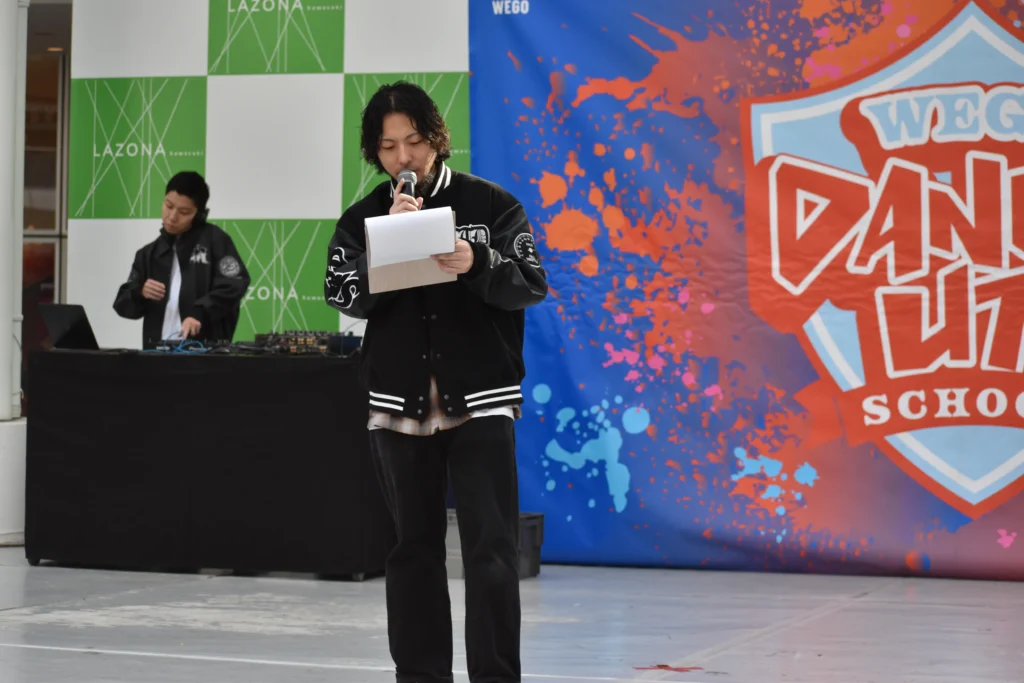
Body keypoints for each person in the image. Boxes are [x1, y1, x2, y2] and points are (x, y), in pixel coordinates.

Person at [324, 81, 548, 683]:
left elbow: (530, 283)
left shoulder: (490, 203)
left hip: (481, 399)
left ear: (437, 140)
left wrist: (478, 262)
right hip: (398, 405)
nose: (404, 158)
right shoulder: (364, 217)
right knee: (413, 551)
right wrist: (384, 247)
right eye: (389, 147)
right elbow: (340, 293)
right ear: (375, 152)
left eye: (415, 142)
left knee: (491, 550)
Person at [113, 171, 250, 349]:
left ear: (199, 214)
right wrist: (140, 292)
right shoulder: (148, 254)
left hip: (204, 354)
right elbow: (123, 306)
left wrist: (200, 312)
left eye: (184, 212)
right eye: (168, 206)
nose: (172, 216)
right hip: (155, 355)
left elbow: (234, 284)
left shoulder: (216, 241)